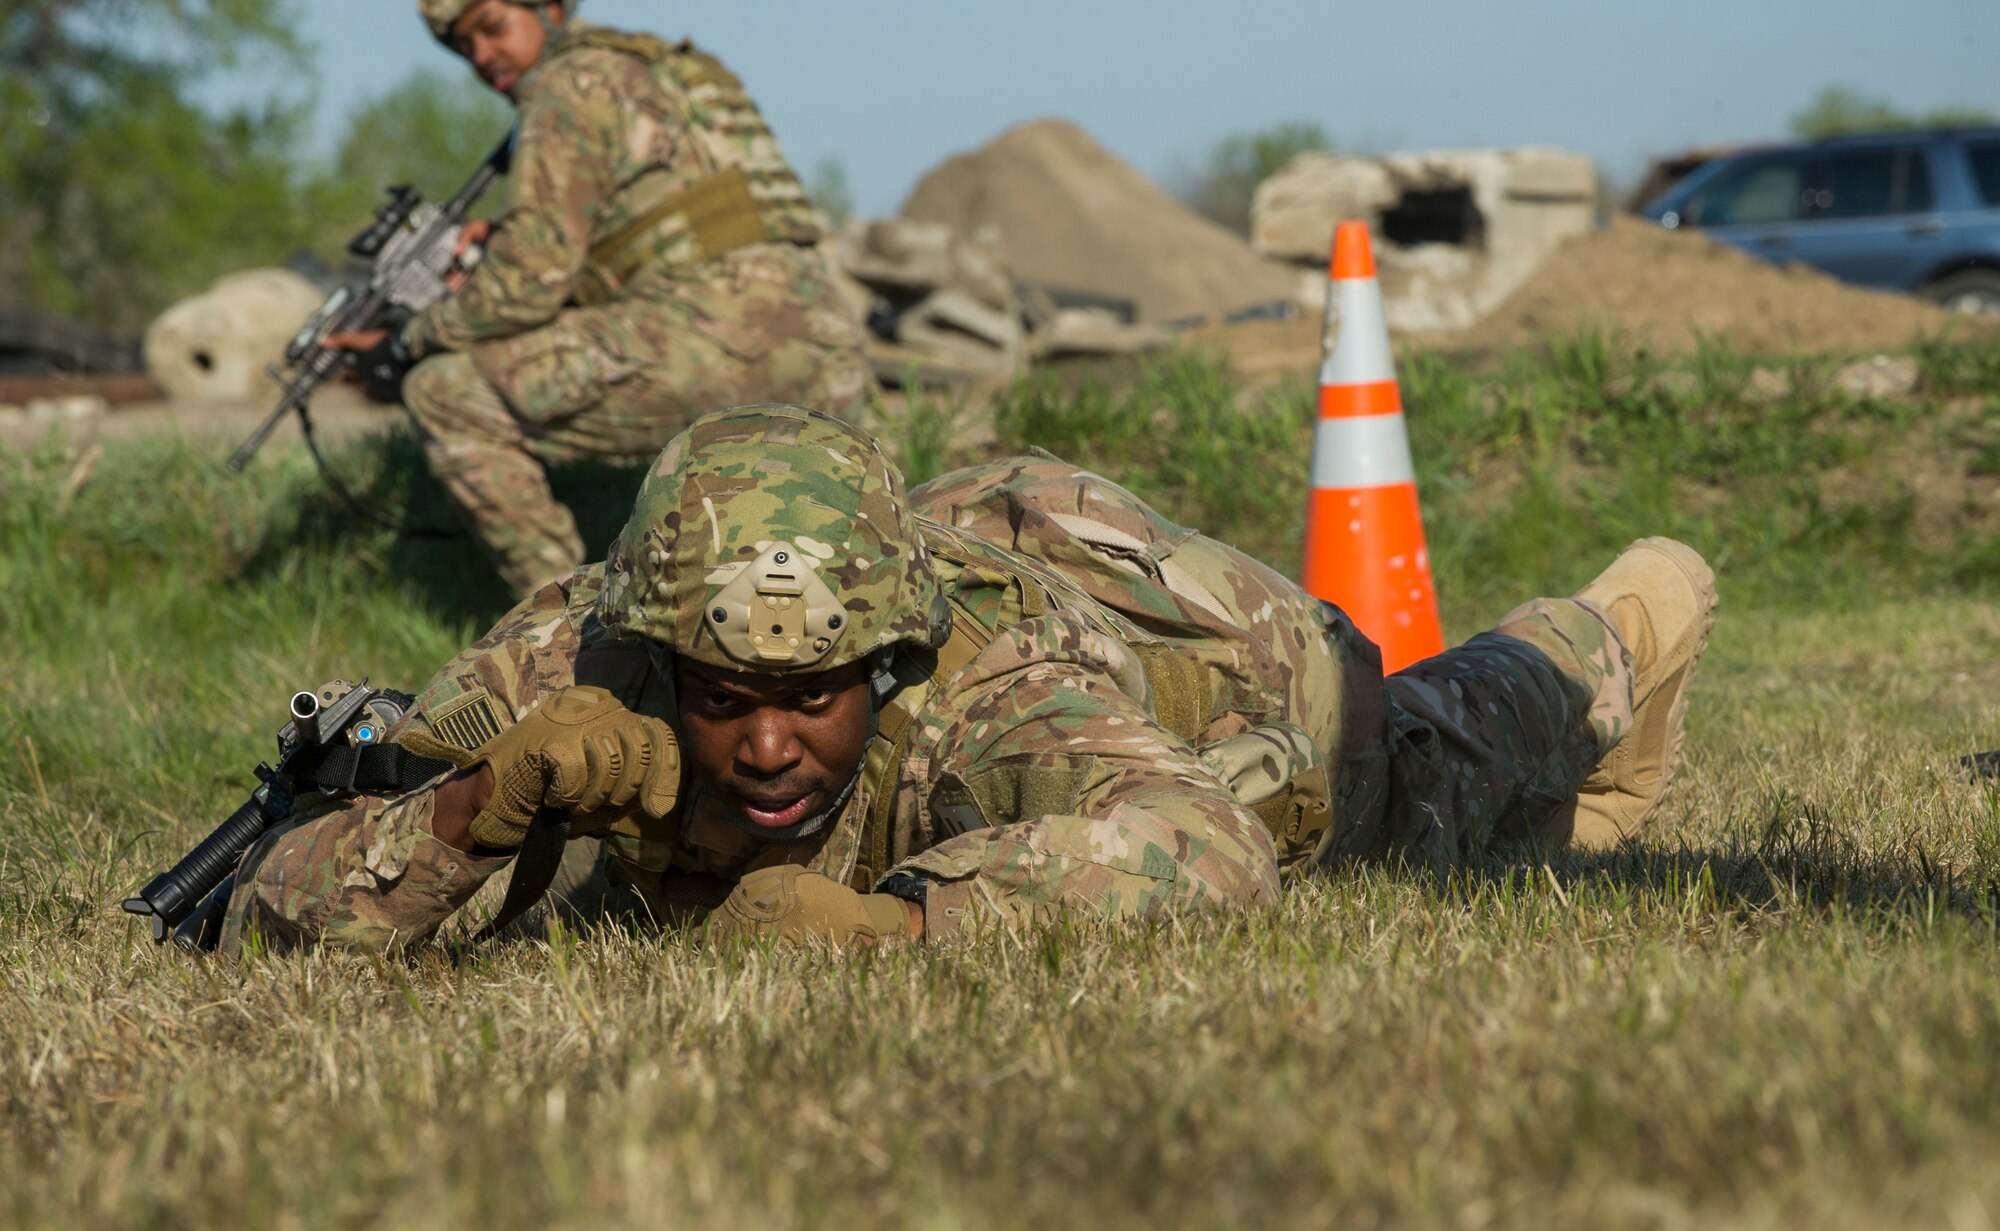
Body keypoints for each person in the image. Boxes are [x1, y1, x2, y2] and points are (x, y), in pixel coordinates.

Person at [218, 405, 1716, 953]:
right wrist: (478, 804)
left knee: (1490, 721)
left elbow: (1204, 853)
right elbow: (276, 893)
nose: (764, 743)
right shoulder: (576, 653)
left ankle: (1632, 613)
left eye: (814, 694)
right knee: (1546, 843)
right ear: (658, 646)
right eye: (722, 692)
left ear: (891, 654)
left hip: (1284, 702)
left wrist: (892, 918)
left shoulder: (998, 676)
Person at [328, 0, 873, 596]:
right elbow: (658, 231)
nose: (482, 57)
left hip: (718, 344)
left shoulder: (567, 83)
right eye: (463, 47)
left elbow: (528, 284)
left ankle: (565, 638)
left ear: (549, 9)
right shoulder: (660, 66)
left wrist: (405, 342)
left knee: (443, 391)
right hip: (829, 349)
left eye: (492, 27)